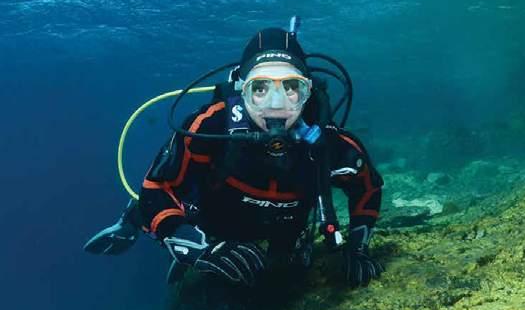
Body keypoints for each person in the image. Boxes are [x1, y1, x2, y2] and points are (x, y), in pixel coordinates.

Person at [87, 26, 384, 288]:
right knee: (161, 211)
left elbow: (367, 187)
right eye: (260, 88)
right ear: (242, 91)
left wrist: (358, 248)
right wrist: (192, 245)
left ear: (308, 92)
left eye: (292, 87)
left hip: (282, 228)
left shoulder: (328, 144)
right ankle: (130, 223)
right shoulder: (211, 127)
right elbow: (157, 187)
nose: (276, 105)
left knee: (285, 271)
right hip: (212, 220)